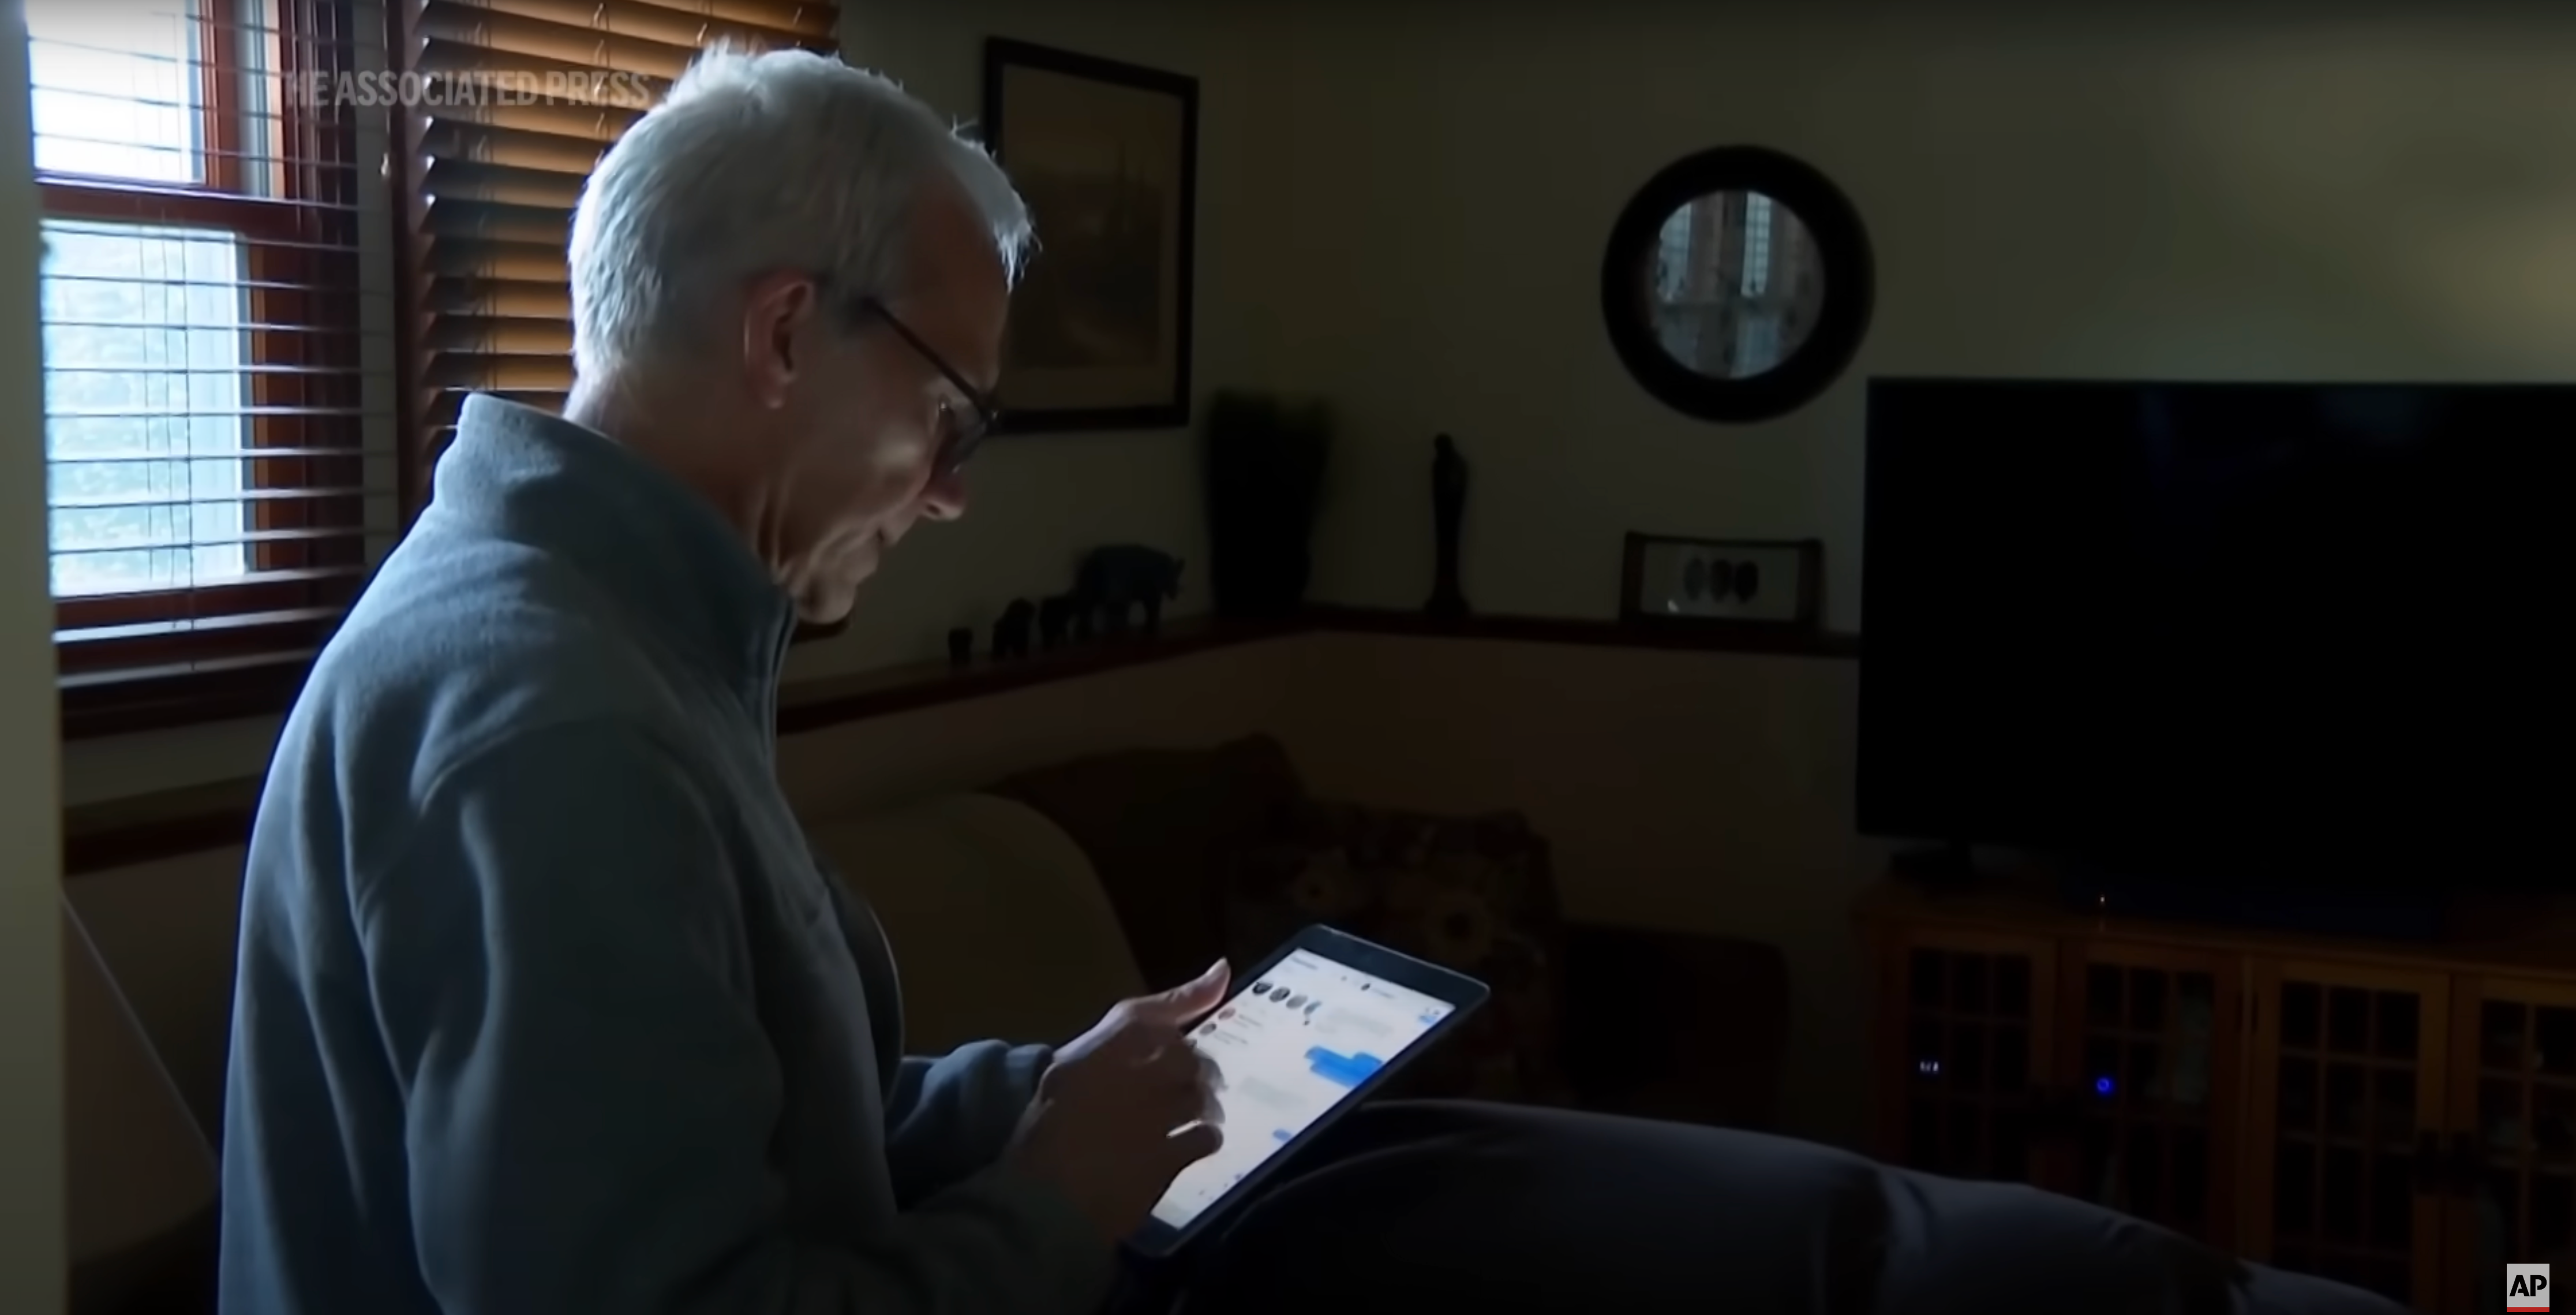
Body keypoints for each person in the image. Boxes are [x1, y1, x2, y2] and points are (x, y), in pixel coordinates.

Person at [216, 48, 2416, 1315]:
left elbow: (758, 1158)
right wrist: (1056, 1199)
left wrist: (1041, 1091)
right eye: (960, 419)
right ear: (794, 335)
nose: (955, 489)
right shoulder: (549, 716)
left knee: (1685, 1215)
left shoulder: (620, 640)